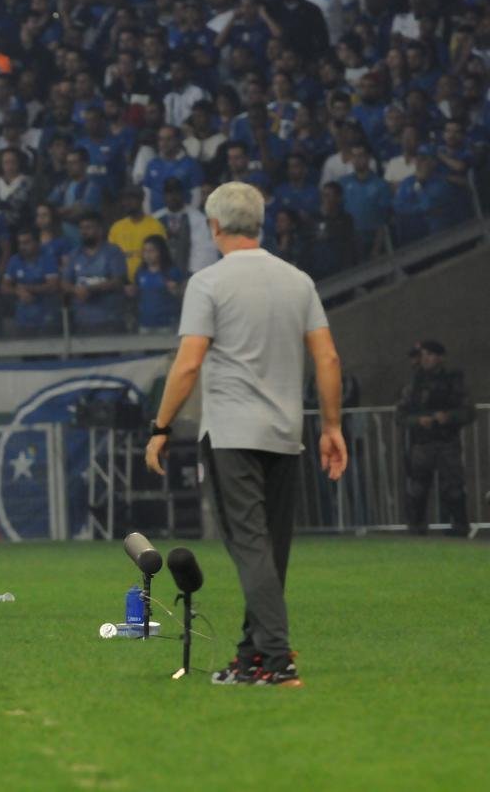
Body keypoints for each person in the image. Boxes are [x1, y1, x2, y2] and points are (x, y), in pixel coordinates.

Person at [144, 182, 348, 687]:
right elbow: (327, 357)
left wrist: (160, 426)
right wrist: (332, 426)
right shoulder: (298, 280)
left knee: (250, 548)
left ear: (214, 227)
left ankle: (276, 661)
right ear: (259, 222)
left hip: (233, 432)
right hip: (285, 431)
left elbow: (188, 363)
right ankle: (251, 654)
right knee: (271, 550)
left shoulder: (208, 282)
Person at [396, 340, 472, 538]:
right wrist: (418, 421)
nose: (425, 359)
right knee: (417, 490)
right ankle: (416, 528)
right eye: (423, 355)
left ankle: (460, 528)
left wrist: (448, 417)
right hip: (422, 444)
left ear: (440, 357)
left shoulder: (453, 380)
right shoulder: (414, 384)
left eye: (429, 355)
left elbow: (468, 411)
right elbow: (401, 415)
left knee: (453, 489)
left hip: (447, 442)